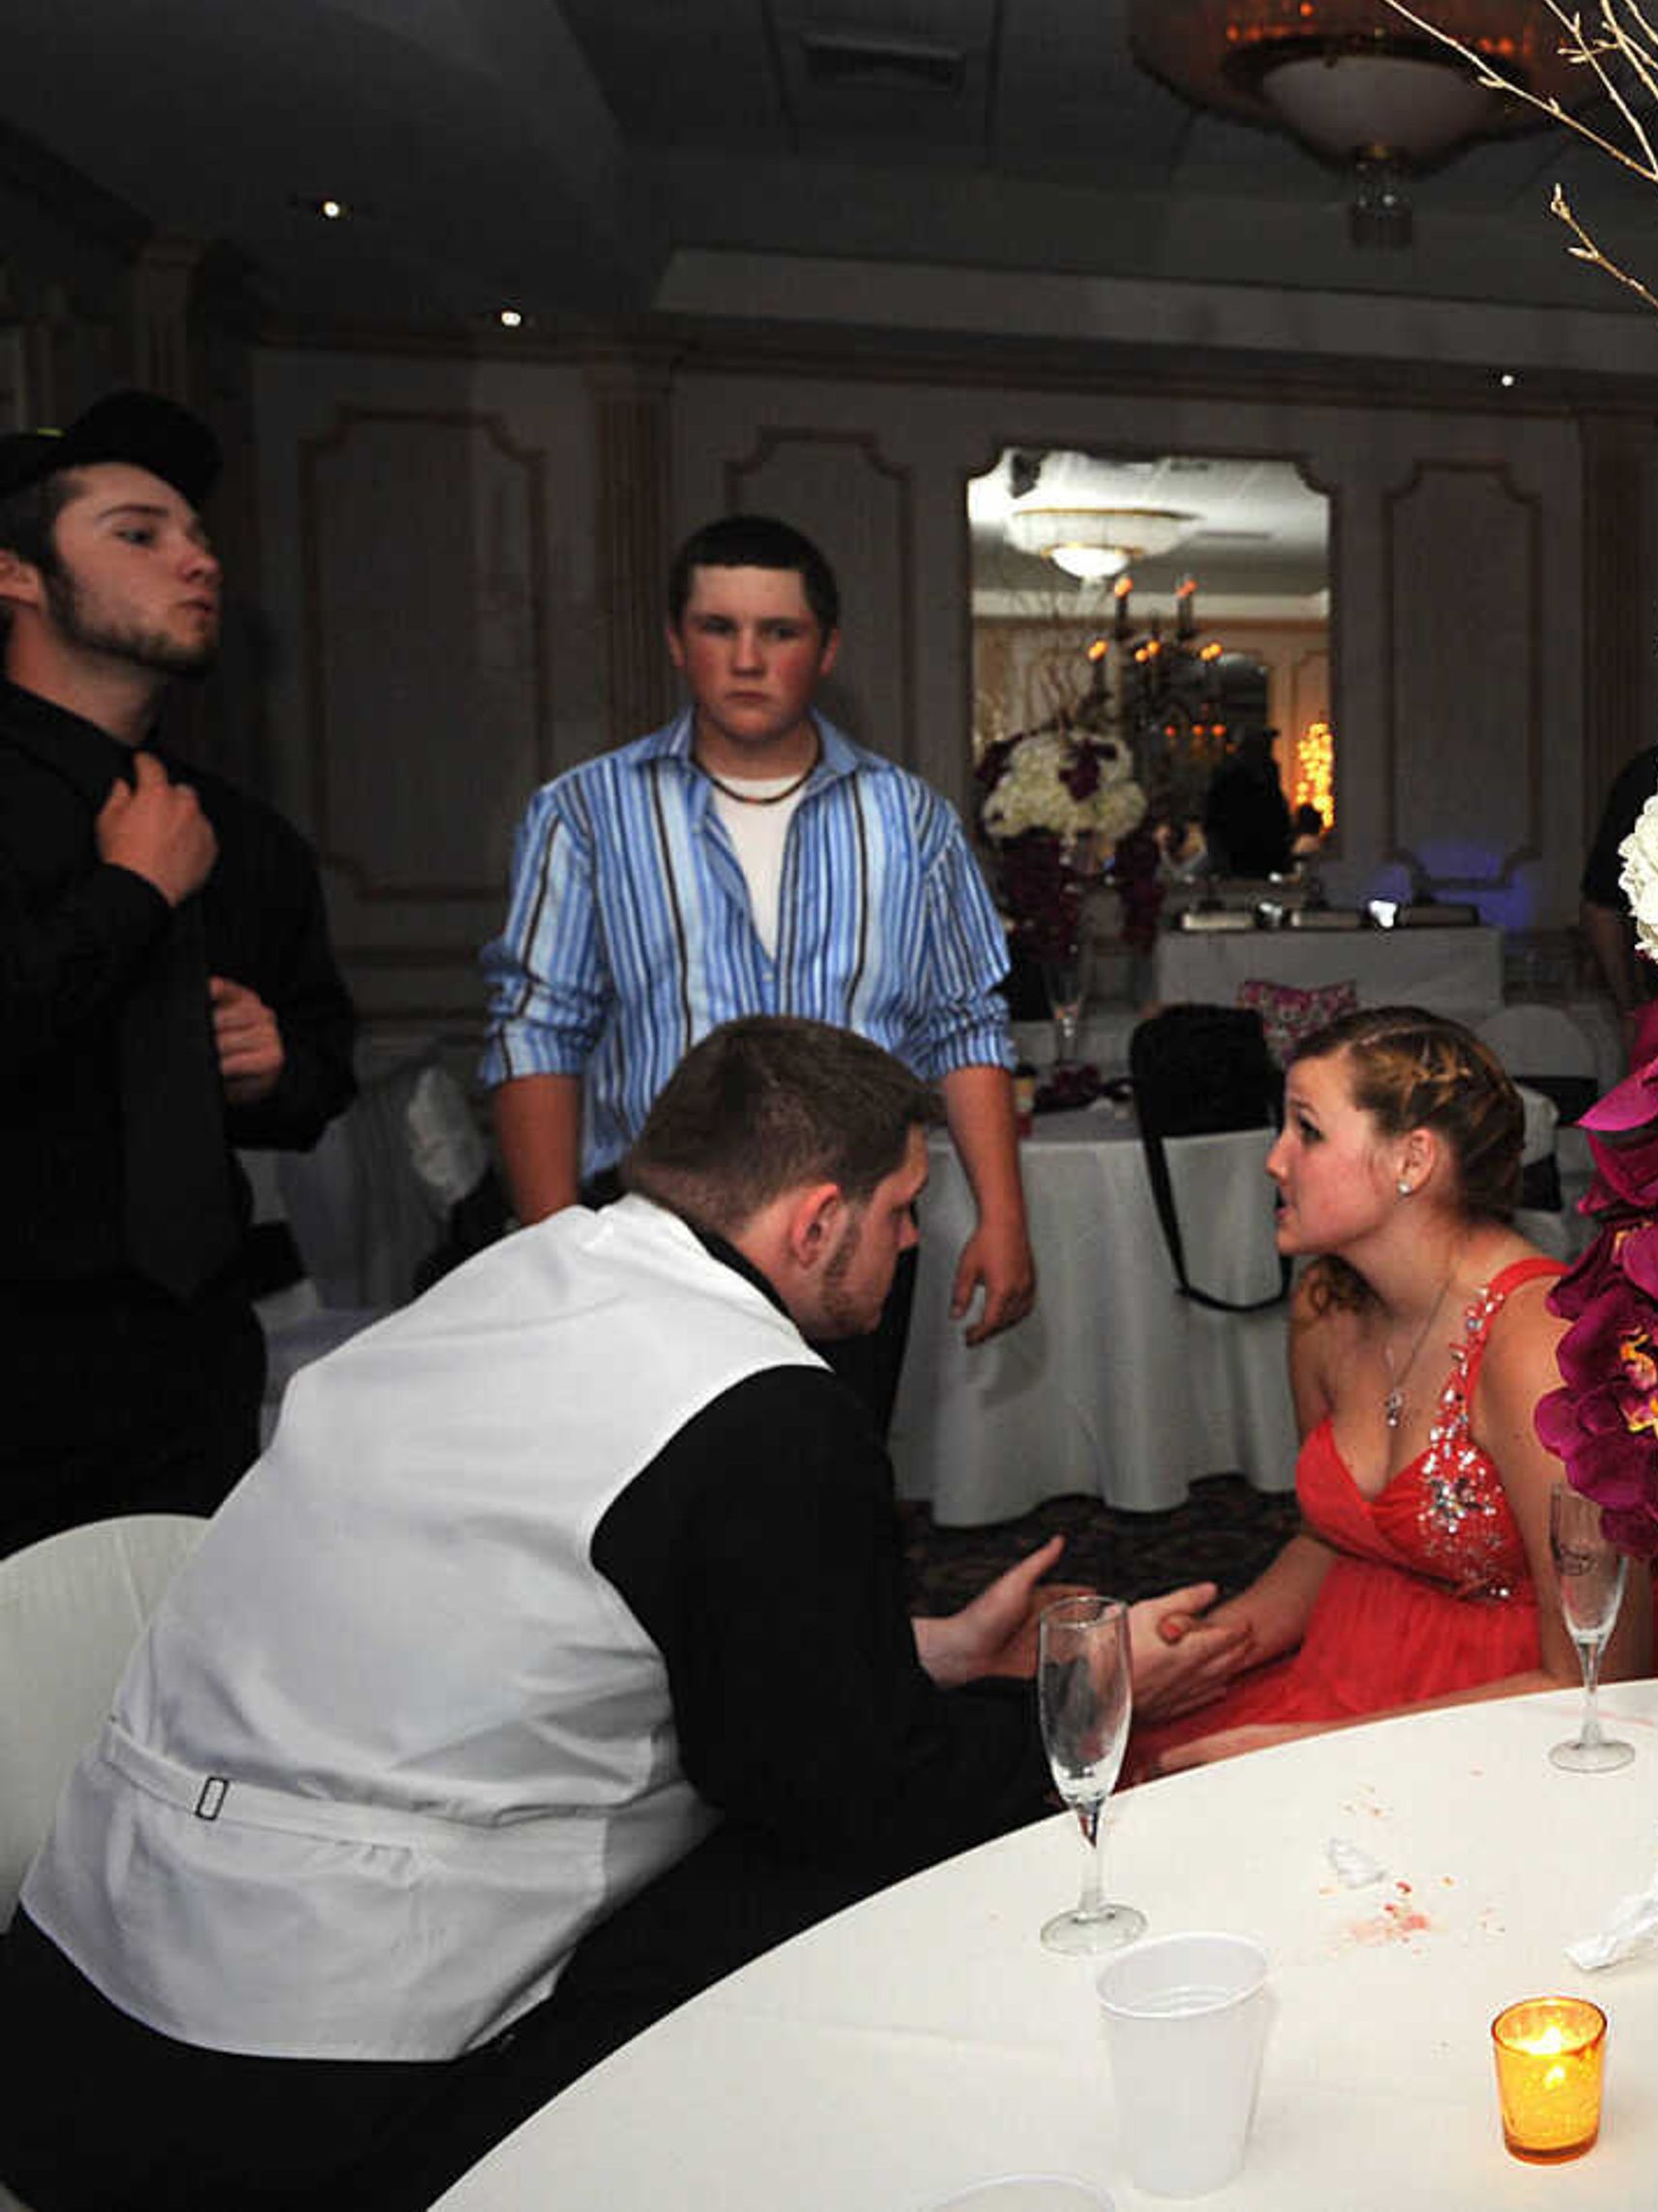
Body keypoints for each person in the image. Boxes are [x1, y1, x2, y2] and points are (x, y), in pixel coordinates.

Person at [0, 1018, 1241, 2212]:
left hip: (63, 2008)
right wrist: (1085, 1700)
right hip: (300, 2086)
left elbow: (536, 1603)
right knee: (888, 1891)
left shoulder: (505, 1284)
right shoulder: (764, 1411)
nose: (914, 1242)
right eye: (903, 1210)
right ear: (816, 1222)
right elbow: (848, 1797)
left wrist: (933, 1649)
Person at [479, 516, 1031, 1429]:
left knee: (835, 1476)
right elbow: (539, 1032)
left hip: (854, 1223)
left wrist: (1003, 1218)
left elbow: (963, 1024)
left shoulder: (910, 820)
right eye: (717, 628)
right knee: (661, 1498)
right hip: (654, 1224)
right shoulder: (584, 814)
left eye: (778, 632)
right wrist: (553, 1251)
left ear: (825, 650)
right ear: (675, 640)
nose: (746, 659)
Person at [1139, 1007, 1658, 1769]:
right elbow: (1331, 1540)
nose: (1275, 1160)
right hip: (1350, 1663)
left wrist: (1305, 1751)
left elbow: (1603, 1674)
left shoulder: (1537, 1345)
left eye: (1307, 1130)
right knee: (1141, 1770)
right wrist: (1211, 1650)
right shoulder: (1325, 1308)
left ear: (1412, 1159)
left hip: (1518, 1719)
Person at [0, 389, 355, 1557]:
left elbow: (322, 1071)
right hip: (17, 1361)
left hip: (191, 1362)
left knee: (171, 1684)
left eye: (199, 536)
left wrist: (277, 1063)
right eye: (138, 534)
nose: (196, 560)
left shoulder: (244, 837)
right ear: (16, 574)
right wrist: (133, 893)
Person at [1578, 740, 1658, 1031]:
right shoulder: (1657, 771)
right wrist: (1630, 1009)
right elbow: (1601, 904)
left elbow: (1600, 907)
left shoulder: (1657, 770)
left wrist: (1629, 1010)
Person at [1202, 728, 1293, 879]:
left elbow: (1278, 819)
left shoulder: (1267, 778)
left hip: (1260, 857)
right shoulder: (1230, 780)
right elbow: (1214, 822)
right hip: (1239, 857)